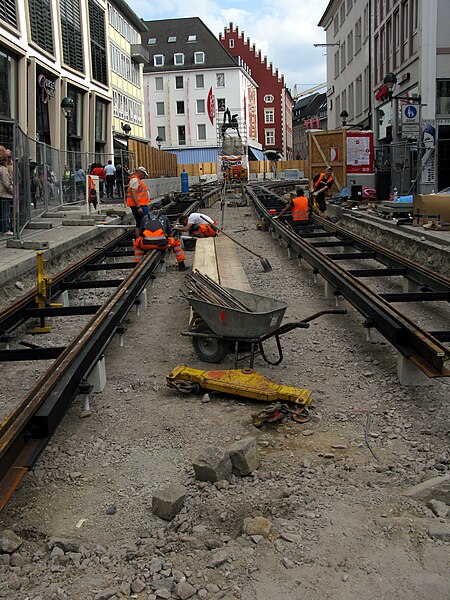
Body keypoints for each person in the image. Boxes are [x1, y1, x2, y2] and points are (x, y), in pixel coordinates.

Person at [134, 204, 188, 271]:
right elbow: (170, 234)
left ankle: (138, 264)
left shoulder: (145, 218)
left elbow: (141, 234)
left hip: (146, 245)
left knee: (137, 242)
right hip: (162, 245)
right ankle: (181, 264)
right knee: (176, 243)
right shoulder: (164, 218)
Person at [126, 166, 150, 237]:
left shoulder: (137, 180)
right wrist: (138, 207)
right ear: (140, 172)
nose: (144, 176)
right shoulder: (135, 180)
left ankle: (140, 239)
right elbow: (133, 193)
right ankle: (143, 238)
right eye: (143, 174)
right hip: (139, 205)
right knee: (144, 222)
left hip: (140, 204)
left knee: (139, 223)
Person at [0, 155, 13, 235]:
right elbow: (6, 183)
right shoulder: (3, 170)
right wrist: (12, 191)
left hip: (1, 193)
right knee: (5, 212)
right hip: (4, 194)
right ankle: (6, 229)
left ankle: (2, 228)